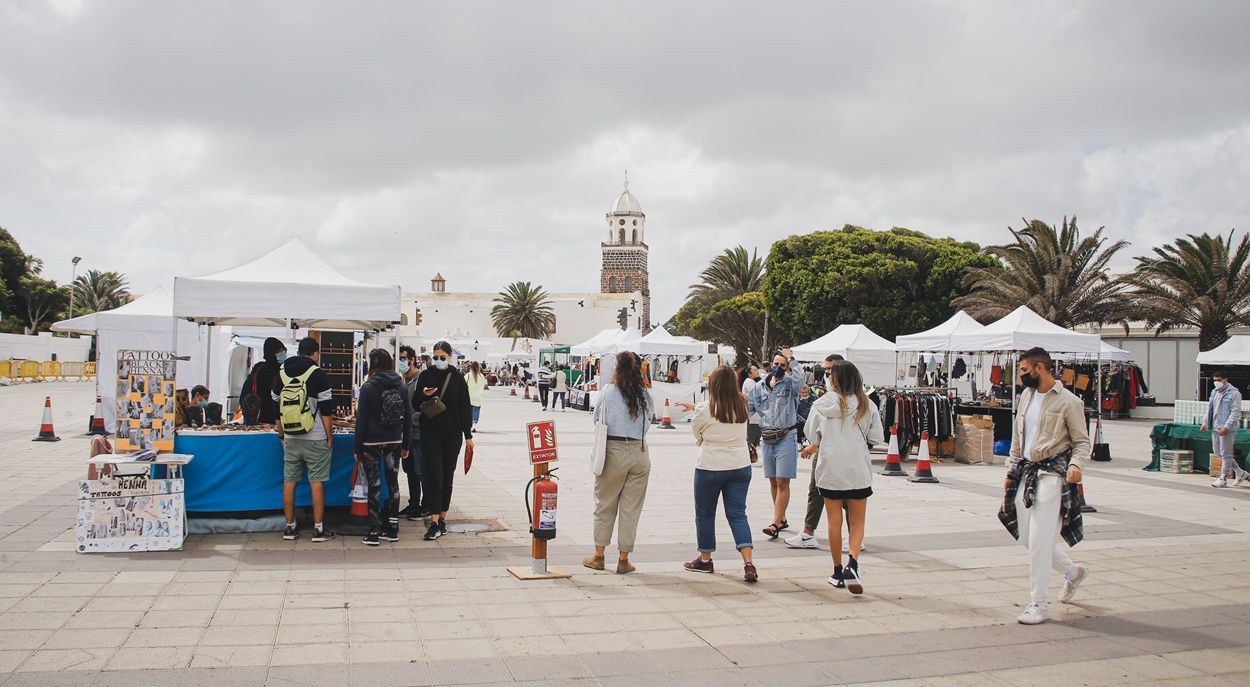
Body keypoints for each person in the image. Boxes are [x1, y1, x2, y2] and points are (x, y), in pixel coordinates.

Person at [1000, 347, 1090, 625]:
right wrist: (1010, 470)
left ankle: (1038, 604)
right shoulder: (1026, 396)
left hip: (1052, 475)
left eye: (1024, 370)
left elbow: (1082, 442)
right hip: (1026, 474)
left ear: (1041, 368)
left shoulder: (1068, 401)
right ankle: (1072, 572)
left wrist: (1076, 466)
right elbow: (1018, 437)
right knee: (1027, 537)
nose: (1021, 376)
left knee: (1039, 541)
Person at [801, 360, 884, 594]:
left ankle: (837, 571)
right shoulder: (867, 404)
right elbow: (876, 437)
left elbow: (810, 434)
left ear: (833, 380)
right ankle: (853, 564)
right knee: (857, 521)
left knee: (833, 521)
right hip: (857, 469)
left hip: (830, 469)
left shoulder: (821, 404)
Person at [677, 366, 758, 582]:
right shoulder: (742, 403)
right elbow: (723, 411)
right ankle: (748, 563)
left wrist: (698, 417)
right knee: (738, 514)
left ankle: (705, 560)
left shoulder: (705, 408)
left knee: (705, 514)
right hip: (740, 465)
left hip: (710, 466)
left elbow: (698, 429)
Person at [585, 352, 654, 574]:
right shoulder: (645, 394)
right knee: (630, 509)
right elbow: (649, 423)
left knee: (605, 504)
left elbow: (597, 419)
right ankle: (624, 559)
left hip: (613, 451)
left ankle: (599, 556)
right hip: (639, 451)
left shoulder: (607, 391)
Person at [274, 337, 336, 542]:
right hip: (315, 435)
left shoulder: (282, 373)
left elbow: (276, 405)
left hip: (290, 437)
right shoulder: (318, 374)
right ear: (315, 353)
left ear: (299, 352)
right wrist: (329, 436)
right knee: (316, 482)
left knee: (289, 481)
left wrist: (282, 432)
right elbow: (326, 410)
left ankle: (289, 527)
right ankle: (318, 529)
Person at [415, 341, 474, 540]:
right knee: (434, 476)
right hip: (430, 431)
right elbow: (415, 403)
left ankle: (442, 518)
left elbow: (465, 407)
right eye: (436, 357)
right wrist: (423, 394)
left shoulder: (457, 378)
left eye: (442, 357)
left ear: (449, 357)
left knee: (447, 477)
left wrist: (469, 436)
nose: (438, 360)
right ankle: (433, 521)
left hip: (451, 434)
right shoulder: (425, 375)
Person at [355, 349, 412, 546]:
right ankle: (393, 528)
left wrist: (357, 448)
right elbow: (408, 418)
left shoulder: (368, 387)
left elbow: (360, 421)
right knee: (393, 482)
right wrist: (406, 444)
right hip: (394, 440)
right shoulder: (401, 385)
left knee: (374, 485)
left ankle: (373, 531)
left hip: (371, 442)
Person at [788, 355, 843, 550]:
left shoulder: (854, 399)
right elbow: (815, 430)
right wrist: (815, 445)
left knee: (848, 495)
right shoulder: (826, 397)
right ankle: (808, 533)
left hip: (845, 455)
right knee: (815, 491)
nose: (827, 374)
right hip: (825, 451)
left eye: (830, 370)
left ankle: (854, 537)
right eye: (825, 369)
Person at [748, 349, 804, 538]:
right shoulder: (759, 387)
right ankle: (782, 518)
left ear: (787, 367)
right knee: (773, 481)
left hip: (786, 436)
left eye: (782, 365)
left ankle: (775, 523)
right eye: (776, 364)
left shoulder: (791, 385)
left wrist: (792, 359)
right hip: (767, 438)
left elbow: (800, 380)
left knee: (782, 480)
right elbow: (748, 409)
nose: (778, 367)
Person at [396, 346, 428, 520]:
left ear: (412, 359)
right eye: (399, 358)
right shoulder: (401, 381)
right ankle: (414, 503)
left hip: (418, 434)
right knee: (410, 472)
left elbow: (427, 406)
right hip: (405, 435)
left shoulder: (421, 380)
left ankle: (426, 505)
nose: (401, 362)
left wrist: (413, 420)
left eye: (403, 358)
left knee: (420, 471)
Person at [1203, 372, 1248, 487]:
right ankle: (1240, 472)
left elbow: (1235, 412)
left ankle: (1223, 478)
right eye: (1214, 380)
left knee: (1226, 453)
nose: (1216, 382)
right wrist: (1205, 422)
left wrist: (1226, 426)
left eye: (1218, 380)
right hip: (1215, 426)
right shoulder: (1214, 392)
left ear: (1225, 380)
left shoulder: (1234, 393)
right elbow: (1209, 408)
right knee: (1218, 452)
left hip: (1227, 428)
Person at [241, 337, 287, 424]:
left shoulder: (258, 370)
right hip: (272, 417)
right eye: (280, 352)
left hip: (255, 416)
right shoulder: (274, 372)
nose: (283, 354)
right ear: (272, 353)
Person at [740, 365, 762, 461]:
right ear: (749, 373)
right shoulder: (749, 382)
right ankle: (749, 459)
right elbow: (759, 394)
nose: (757, 372)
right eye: (755, 370)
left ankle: (752, 458)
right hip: (752, 415)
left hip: (756, 416)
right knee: (752, 438)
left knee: (755, 437)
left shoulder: (753, 382)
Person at [466, 361, 488, 431]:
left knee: (468, 412)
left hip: (468, 396)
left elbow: (462, 383)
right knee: (476, 411)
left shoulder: (468, 375)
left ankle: (469, 425)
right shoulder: (481, 375)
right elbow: (485, 384)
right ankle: (474, 425)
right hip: (478, 397)